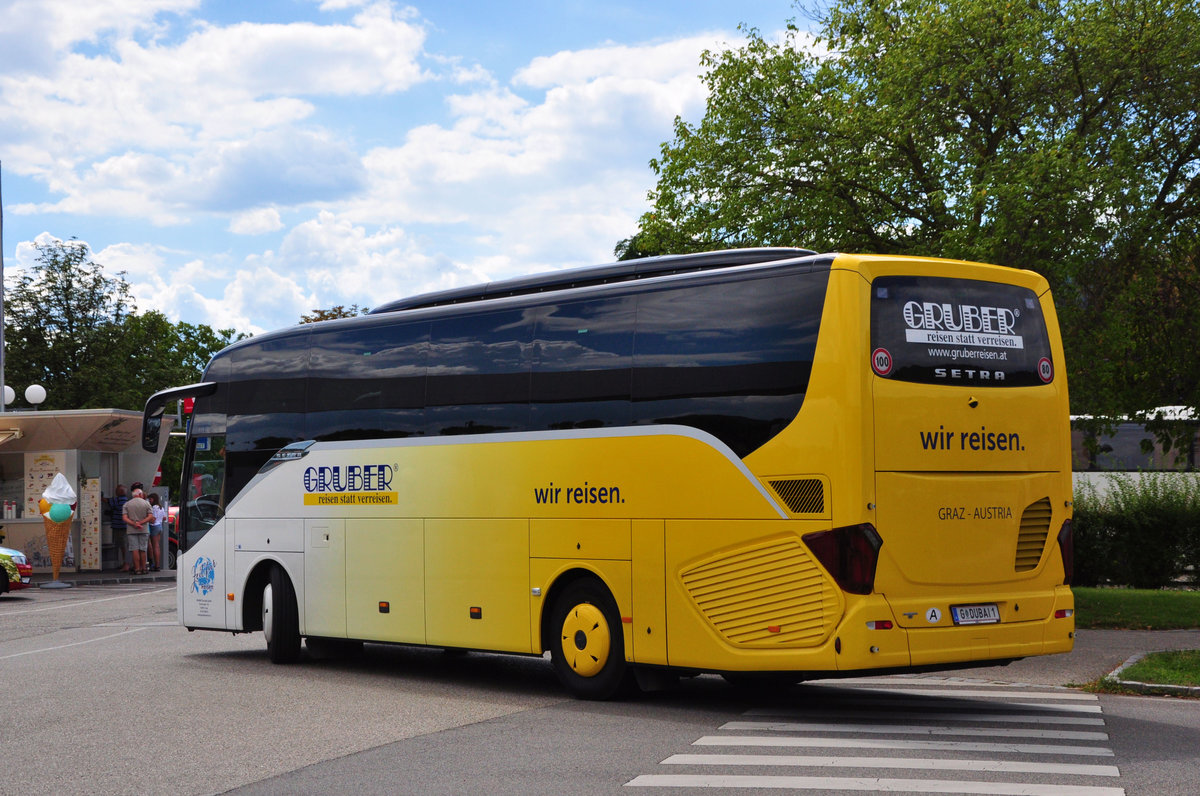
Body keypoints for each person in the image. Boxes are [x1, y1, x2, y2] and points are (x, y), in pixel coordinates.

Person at [123, 488, 152, 575]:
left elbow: (124, 518)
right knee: (143, 549)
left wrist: (134, 524)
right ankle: (144, 568)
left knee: (134, 549)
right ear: (140, 494)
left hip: (131, 530)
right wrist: (141, 523)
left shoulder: (127, 504)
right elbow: (150, 516)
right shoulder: (146, 503)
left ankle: (137, 569)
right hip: (144, 529)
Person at [109, 485, 129, 572]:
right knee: (124, 546)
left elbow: (108, 502)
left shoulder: (118, 500)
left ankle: (125, 564)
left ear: (120, 492)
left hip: (119, 527)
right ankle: (125, 563)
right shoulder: (127, 501)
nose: (115, 492)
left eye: (116, 490)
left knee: (122, 546)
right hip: (125, 526)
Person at [147, 493, 166, 572]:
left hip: (154, 526)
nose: (149, 501)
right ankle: (157, 565)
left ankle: (156, 565)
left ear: (154, 499)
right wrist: (159, 519)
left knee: (154, 546)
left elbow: (153, 519)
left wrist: (146, 519)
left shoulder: (154, 507)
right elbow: (164, 518)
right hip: (160, 526)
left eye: (150, 499)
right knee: (157, 546)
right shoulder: (161, 507)